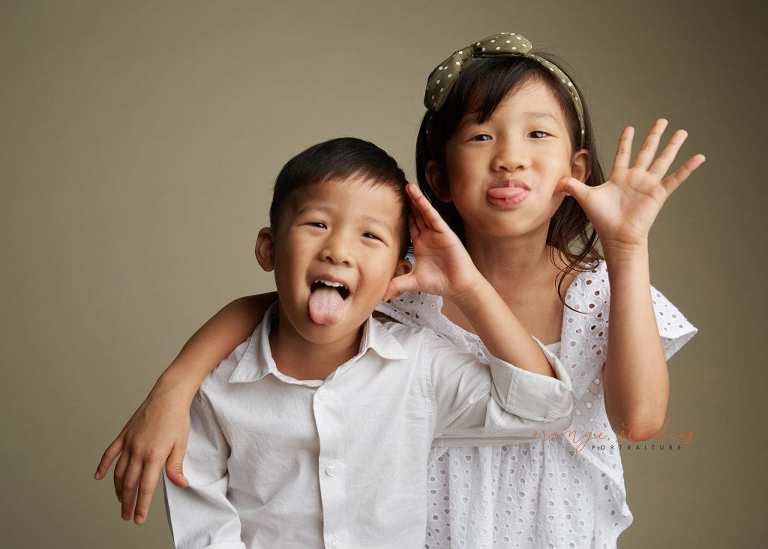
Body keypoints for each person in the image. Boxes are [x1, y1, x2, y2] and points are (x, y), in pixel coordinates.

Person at [95, 33, 705, 548]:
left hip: (561, 529)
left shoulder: (600, 288)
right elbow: (284, 306)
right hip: (429, 529)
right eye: (482, 136)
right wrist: (178, 384)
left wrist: (627, 251)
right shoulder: (406, 278)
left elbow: (640, 421)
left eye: (537, 135)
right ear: (437, 176)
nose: (511, 159)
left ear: (576, 168)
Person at [160, 136, 573, 548]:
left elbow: (545, 408)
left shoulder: (418, 366)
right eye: (317, 224)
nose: (339, 251)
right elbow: (204, 531)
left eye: (370, 236)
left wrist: (467, 287)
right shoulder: (215, 390)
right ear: (269, 249)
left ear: (397, 272)